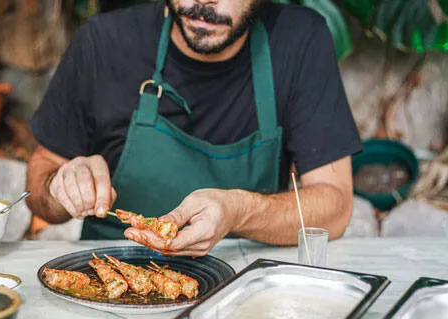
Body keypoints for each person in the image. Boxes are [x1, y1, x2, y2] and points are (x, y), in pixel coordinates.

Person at [25, 0, 362, 256]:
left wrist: (240, 212)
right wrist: (61, 187)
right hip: (112, 276)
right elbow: (40, 186)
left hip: (243, 280)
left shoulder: (298, 40)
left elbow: (335, 209)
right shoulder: (104, 42)